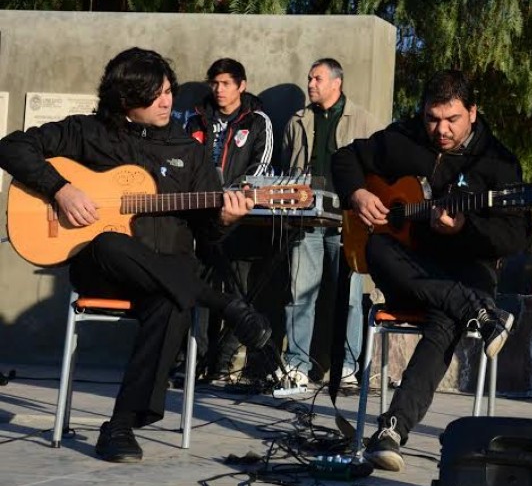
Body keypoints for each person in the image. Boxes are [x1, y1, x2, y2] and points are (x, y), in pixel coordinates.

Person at [0, 48, 271, 463]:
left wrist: (227, 218)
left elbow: (206, 233)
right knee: (109, 241)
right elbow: (12, 147)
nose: (166, 102)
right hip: (104, 267)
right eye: (155, 95)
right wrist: (62, 188)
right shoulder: (89, 133)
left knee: (171, 301)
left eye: (168, 92)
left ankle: (120, 426)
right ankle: (220, 301)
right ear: (126, 100)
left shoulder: (189, 150)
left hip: (168, 273)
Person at [332, 69, 531, 472]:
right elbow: (345, 157)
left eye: (451, 120)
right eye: (432, 119)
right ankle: (480, 312)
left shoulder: (498, 163)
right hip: (410, 270)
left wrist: (464, 228)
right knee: (377, 245)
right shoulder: (404, 138)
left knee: (446, 318)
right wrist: (358, 193)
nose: (440, 130)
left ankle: (391, 431)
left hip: (467, 270)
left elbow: (515, 235)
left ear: (473, 112)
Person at [282, 58, 385, 389]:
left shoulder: (363, 120)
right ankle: (296, 365)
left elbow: (378, 170)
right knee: (300, 294)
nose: (310, 84)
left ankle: (349, 369)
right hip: (306, 219)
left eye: (317, 78)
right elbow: (288, 162)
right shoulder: (297, 121)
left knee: (351, 298)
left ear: (336, 83)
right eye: (309, 78)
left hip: (347, 223)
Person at [184, 58, 274, 382]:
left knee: (237, 289)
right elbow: (183, 162)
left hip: (240, 217)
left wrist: (229, 197)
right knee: (199, 288)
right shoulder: (195, 119)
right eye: (215, 84)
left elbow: (259, 169)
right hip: (200, 215)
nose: (219, 90)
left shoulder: (258, 121)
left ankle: (224, 364)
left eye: (225, 84)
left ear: (241, 86)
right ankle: (195, 361)